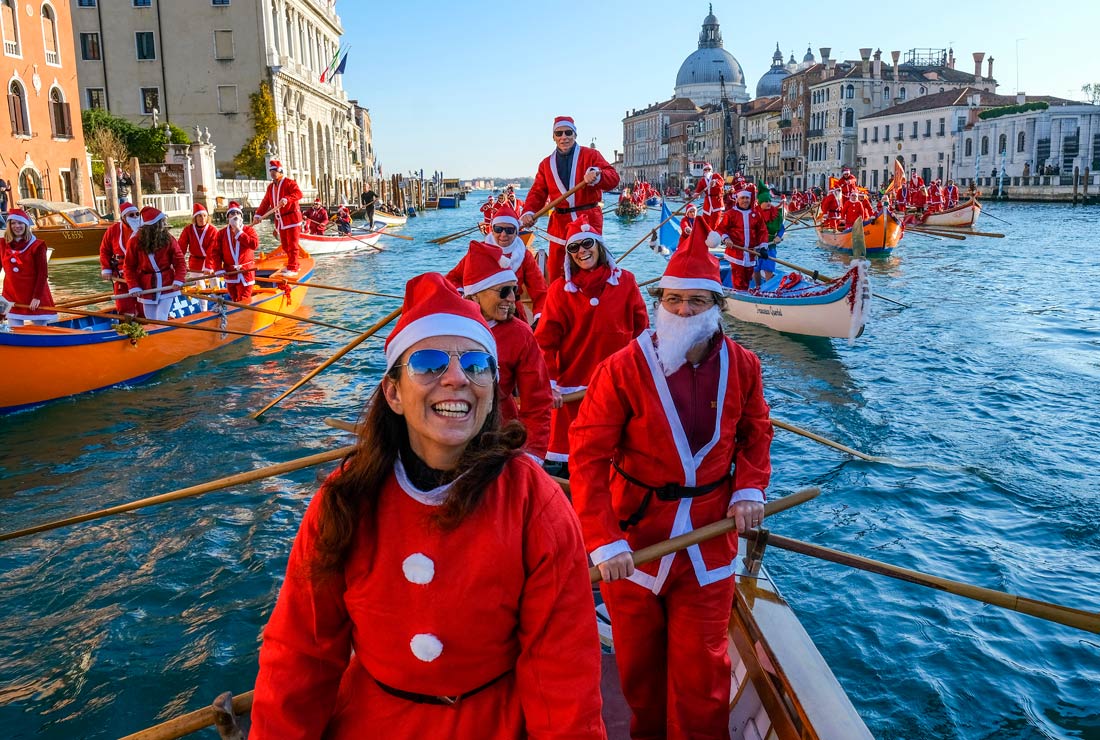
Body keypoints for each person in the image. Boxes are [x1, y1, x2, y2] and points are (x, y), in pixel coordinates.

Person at [250, 272, 606, 739]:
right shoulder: (346, 499)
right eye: (430, 363)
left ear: (493, 389)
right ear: (394, 393)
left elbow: (562, 670)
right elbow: (301, 652)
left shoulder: (534, 503)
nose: (457, 378)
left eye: (477, 364)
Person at [569, 221, 772, 740]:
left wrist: (749, 488)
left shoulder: (744, 367)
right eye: (674, 299)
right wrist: (603, 539)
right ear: (659, 301)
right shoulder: (620, 370)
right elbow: (587, 456)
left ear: (717, 306)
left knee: (704, 674)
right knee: (640, 673)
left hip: (709, 542)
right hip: (635, 542)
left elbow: (756, 433)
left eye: (697, 301)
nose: (683, 310)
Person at [534, 217, 648, 471]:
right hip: (575, 390)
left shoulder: (626, 282)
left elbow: (642, 331)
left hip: (619, 384)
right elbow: (544, 343)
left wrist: (644, 370)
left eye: (587, 244)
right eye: (574, 247)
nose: (582, 251)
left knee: (622, 451)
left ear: (599, 245)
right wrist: (549, 386)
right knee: (577, 455)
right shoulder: (560, 291)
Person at [461, 240, 553, 461]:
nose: (512, 298)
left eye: (514, 290)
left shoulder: (520, 334)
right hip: (452, 437)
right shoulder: (450, 329)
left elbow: (538, 402)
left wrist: (531, 455)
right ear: (475, 294)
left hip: (500, 439)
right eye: (503, 291)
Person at [520, 116, 620, 284]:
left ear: (575, 135)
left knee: (592, 268)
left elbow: (613, 178)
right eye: (559, 133)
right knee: (557, 272)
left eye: (568, 132)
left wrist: (598, 175)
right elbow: (537, 192)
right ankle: (558, 298)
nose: (564, 137)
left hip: (587, 222)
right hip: (560, 225)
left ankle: (595, 296)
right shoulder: (546, 164)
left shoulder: (591, 155)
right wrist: (528, 213)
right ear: (553, 137)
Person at [447, 204, 547, 324]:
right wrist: (463, 298)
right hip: (482, 313)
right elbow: (452, 278)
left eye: (509, 230)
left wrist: (539, 318)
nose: (503, 235)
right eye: (498, 229)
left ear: (516, 232)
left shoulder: (524, 255)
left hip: (512, 311)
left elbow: (540, 291)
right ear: (492, 230)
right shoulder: (479, 252)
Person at [125, 206, 186, 321]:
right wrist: (133, 286)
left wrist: (178, 279)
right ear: (154, 225)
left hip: (167, 283)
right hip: (146, 284)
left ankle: (163, 331)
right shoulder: (134, 241)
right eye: (161, 222)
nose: (164, 225)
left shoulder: (169, 239)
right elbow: (129, 266)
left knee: (161, 317)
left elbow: (180, 261)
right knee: (150, 318)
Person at [0, 209, 57, 326]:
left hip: (34, 295)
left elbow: (42, 274)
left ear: (26, 225)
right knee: (14, 330)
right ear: (9, 226)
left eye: (20, 223)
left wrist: (36, 297)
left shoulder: (38, 246)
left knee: (41, 330)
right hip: (11, 295)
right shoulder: (2, 244)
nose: (17, 226)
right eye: (13, 223)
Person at [254, 158, 303, 277]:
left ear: (280, 171)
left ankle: (293, 267)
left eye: (274, 170)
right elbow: (266, 202)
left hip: (292, 218)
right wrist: (258, 214)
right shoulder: (270, 187)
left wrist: (287, 199)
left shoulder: (289, 183)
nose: (272, 173)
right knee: (285, 245)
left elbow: (298, 194)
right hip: (280, 220)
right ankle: (293, 264)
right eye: (271, 171)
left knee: (293, 245)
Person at [717, 189, 769, 291]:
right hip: (736, 252)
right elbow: (721, 229)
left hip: (750, 252)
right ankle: (739, 294)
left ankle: (744, 293)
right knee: (738, 278)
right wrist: (726, 238)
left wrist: (763, 247)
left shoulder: (756, 214)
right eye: (742, 198)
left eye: (747, 198)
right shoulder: (730, 214)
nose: (745, 200)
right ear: (738, 200)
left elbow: (762, 232)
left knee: (748, 277)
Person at [98, 202, 143, 316]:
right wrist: (106, 269)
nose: (135, 217)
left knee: (144, 306)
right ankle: (128, 321)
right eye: (131, 215)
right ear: (123, 218)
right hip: (121, 275)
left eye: (137, 214)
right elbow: (104, 250)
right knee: (124, 307)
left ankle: (147, 322)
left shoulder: (145, 229)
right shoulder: (113, 230)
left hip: (142, 274)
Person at [207, 202, 258, 303]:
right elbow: (216, 253)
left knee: (244, 299)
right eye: (232, 213)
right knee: (234, 299)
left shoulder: (249, 230)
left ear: (241, 217)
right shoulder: (221, 233)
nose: (235, 215)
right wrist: (218, 268)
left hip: (246, 272)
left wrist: (239, 232)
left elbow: (254, 245)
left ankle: (244, 312)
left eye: (237, 213)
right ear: (228, 217)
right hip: (230, 273)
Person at [754, 186, 784, 289]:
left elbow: (781, 228)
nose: (768, 203)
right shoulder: (753, 214)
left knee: (769, 267)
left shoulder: (776, 214)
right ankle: (757, 287)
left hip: (770, 245)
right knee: (756, 268)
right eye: (765, 201)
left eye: (769, 201)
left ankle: (768, 289)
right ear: (760, 203)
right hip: (756, 245)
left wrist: (779, 236)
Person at [693, 163, 724, 228]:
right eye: (705, 169)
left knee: (714, 224)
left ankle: (714, 233)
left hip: (716, 202)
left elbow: (721, 182)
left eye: (709, 169)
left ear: (711, 170)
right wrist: (696, 194)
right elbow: (698, 190)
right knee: (705, 223)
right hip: (707, 204)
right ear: (703, 171)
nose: (707, 171)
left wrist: (715, 182)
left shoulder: (716, 176)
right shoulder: (702, 180)